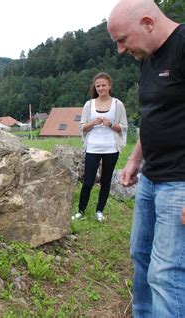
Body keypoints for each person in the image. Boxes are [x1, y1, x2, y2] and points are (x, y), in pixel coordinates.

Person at [108, 0, 185, 316]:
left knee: (166, 273)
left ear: (148, 23)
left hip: (179, 185)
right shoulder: (148, 59)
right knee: (141, 256)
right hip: (152, 177)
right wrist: (135, 160)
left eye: (122, 40)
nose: (121, 51)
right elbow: (155, 116)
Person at [72, 72, 128, 222]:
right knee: (88, 181)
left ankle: (99, 211)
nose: (101, 88)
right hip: (92, 147)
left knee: (106, 181)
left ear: (109, 86)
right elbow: (82, 127)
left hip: (111, 147)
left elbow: (124, 127)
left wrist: (111, 125)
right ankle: (81, 211)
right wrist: (92, 123)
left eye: (103, 85)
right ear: (95, 87)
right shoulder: (89, 105)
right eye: (98, 86)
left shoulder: (118, 104)